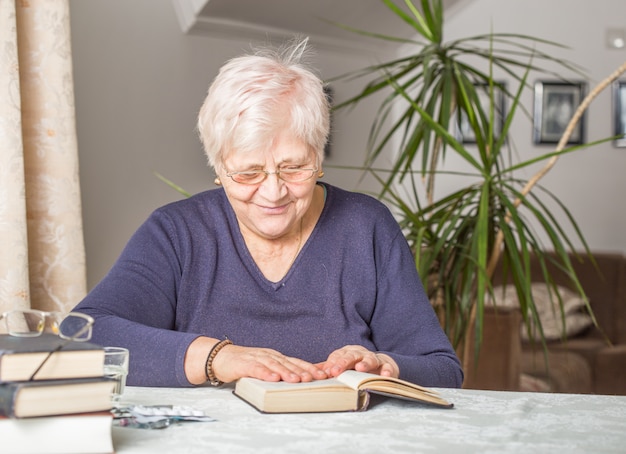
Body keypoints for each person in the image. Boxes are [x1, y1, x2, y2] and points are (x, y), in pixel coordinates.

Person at [73, 37, 463, 389]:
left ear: (319, 156)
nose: (274, 192)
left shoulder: (367, 227)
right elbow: (83, 336)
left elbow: (443, 369)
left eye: (294, 168)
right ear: (218, 169)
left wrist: (385, 365)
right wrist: (219, 357)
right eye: (248, 173)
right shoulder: (176, 233)